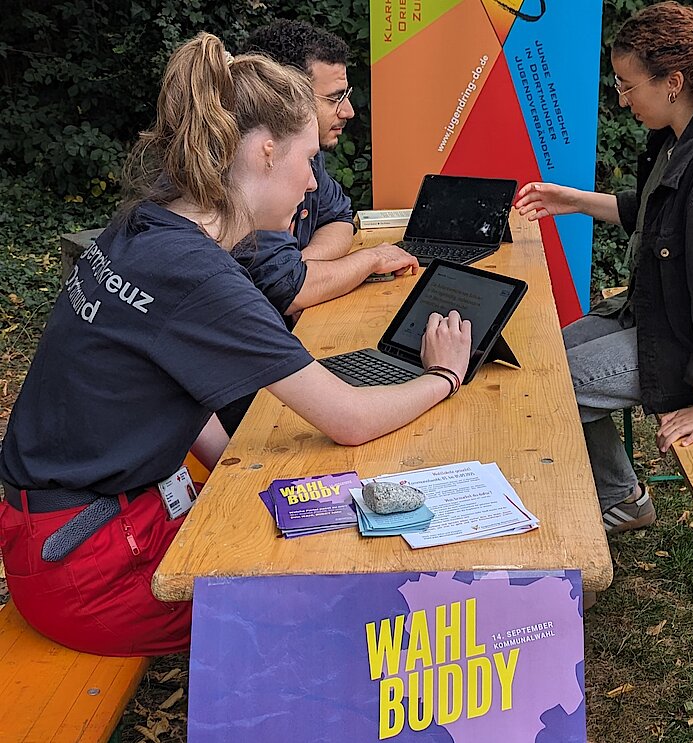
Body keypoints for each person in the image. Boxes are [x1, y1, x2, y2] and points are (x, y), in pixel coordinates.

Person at [0, 33, 470, 657]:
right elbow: (351, 419)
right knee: (334, 604)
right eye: (307, 161)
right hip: (91, 567)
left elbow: (161, 377)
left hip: (63, 533)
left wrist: (235, 469)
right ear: (266, 151)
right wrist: (443, 375)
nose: (311, 184)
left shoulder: (146, 224)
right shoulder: (197, 274)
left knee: (305, 523)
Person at [514, 1, 693, 535]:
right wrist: (573, 201)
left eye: (628, 86)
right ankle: (621, 496)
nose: (623, 101)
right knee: (541, 358)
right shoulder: (680, 141)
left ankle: (613, 501)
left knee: (555, 385)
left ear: (672, 81)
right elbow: (655, 215)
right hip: (663, 315)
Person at [236, 20, 417, 318]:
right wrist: (369, 260)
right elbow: (287, 289)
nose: (348, 111)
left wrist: (303, 265)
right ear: (285, 95)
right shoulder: (246, 170)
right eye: (334, 98)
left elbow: (340, 218)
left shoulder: (306, 154)